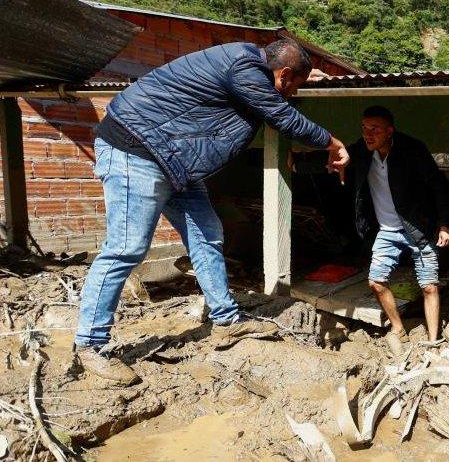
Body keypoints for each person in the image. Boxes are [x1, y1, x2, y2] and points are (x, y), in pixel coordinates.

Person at [75, 39, 349, 385]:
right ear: (282, 75)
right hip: (138, 150)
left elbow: (272, 97)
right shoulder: (243, 66)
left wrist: (306, 76)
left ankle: (225, 321)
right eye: (294, 86)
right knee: (126, 249)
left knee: (208, 234)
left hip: (175, 162)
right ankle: (90, 345)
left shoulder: (249, 66)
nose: (292, 94)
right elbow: (281, 116)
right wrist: (332, 142)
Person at [295, 105, 449, 345]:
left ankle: (433, 341)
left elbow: (440, 186)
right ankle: (398, 328)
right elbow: (337, 158)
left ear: (389, 131)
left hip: (418, 228)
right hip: (387, 231)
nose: (368, 134)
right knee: (376, 282)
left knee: (429, 286)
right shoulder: (363, 150)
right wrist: (297, 164)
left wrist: (445, 224)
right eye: (364, 128)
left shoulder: (413, 150)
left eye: (375, 129)